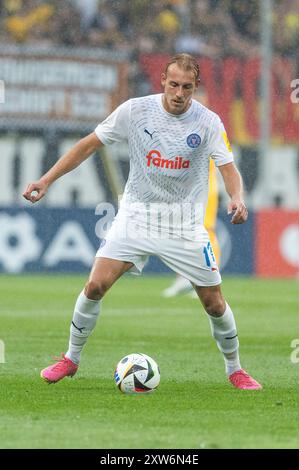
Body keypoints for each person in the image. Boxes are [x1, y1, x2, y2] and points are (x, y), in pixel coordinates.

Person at [23, 53, 262, 390]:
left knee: (214, 302)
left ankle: (235, 369)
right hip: (136, 216)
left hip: (183, 224)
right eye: (174, 85)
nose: (179, 93)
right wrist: (46, 180)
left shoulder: (208, 122)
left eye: (187, 88)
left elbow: (228, 168)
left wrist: (237, 198)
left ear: (196, 88)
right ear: (163, 81)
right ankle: (71, 358)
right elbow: (89, 144)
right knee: (94, 286)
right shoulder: (135, 111)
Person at [162, 158, 220, 297]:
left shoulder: (210, 136)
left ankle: (208, 281)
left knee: (205, 230)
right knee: (180, 231)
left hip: (203, 188)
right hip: (185, 188)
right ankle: (184, 277)